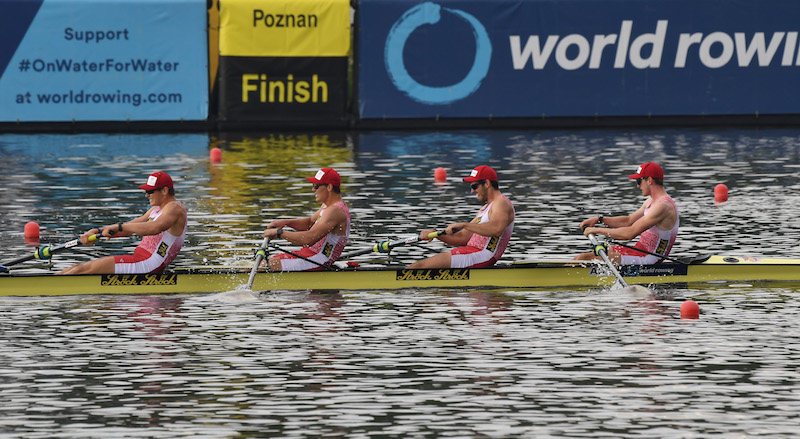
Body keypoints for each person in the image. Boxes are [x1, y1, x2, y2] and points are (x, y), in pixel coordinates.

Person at [58, 171, 188, 274]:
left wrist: (119, 226)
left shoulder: (174, 208)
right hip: (140, 260)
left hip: (148, 264)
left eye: (150, 191)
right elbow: (129, 228)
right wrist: (98, 231)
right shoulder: (155, 210)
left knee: (81, 270)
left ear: (164, 191)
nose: (146, 195)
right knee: (75, 268)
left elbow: (154, 228)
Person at [407, 165, 515, 269]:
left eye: (474, 186)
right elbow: (462, 237)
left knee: (417, 267)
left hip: (482, 255)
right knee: (415, 266)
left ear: (487, 183)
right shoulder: (486, 209)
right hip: (472, 253)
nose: (472, 191)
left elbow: (496, 229)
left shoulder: (501, 202)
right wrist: (434, 234)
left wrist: (464, 225)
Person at [576, 162, 679, 264]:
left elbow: (629, 234)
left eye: (639, 181)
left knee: (585, 258)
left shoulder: (663, 206)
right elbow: (628, 221)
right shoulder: (651, 202)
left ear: (649, 180)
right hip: (638, 250)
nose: (638, 186)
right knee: (579, 258)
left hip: (649, 259)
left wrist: (596, 230)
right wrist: (599, 219)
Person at [262, 168, 350, 271]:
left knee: (263, 266)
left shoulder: (335, 211)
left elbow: (308, 239)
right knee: (261, 263)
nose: (313, 189)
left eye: (316, 186)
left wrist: (279, 232)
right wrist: (286, 222)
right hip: (309, 255)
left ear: (329, 187)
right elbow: (309, 223)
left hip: (318, 260)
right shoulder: (328, 206)